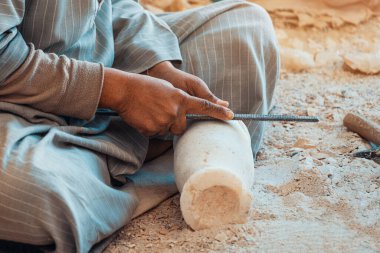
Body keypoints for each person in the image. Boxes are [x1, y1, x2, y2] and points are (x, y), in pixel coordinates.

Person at [0, 0, 280, 252]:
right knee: (23, 194)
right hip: (14, 105)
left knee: (245, 26)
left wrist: (157, 67)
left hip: (103, 60)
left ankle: (100, 179)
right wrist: (119, 92)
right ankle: (164, 164)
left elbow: (114, 5)